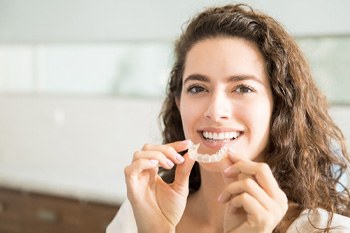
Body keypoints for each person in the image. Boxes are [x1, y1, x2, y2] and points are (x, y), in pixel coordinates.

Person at [107, 3, 350, 233]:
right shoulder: (137, 216)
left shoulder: (332, 229)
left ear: (280, 107)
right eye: (197, 88)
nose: (215, 110)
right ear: (179, 103)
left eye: (243, 88)